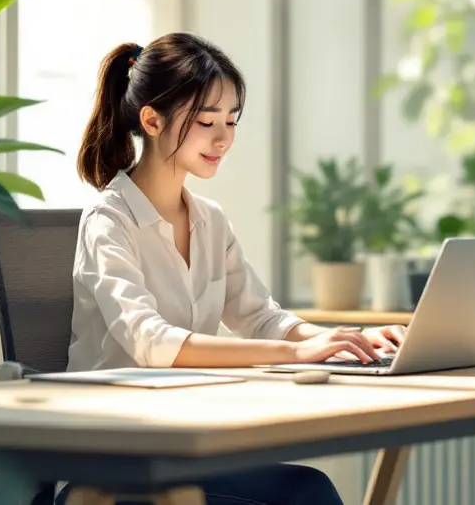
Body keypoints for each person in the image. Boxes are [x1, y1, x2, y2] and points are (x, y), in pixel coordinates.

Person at [64, 32, 407, 505]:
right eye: (207, 121)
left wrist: (344, 341)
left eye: (231, 120)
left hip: (183, 448)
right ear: (152, 120)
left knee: (310, 490)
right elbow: (152, 342)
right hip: (112, 465)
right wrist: (297, 353)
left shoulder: (209, 219)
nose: (224, 138)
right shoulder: (109, 220)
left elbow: (260, 316)